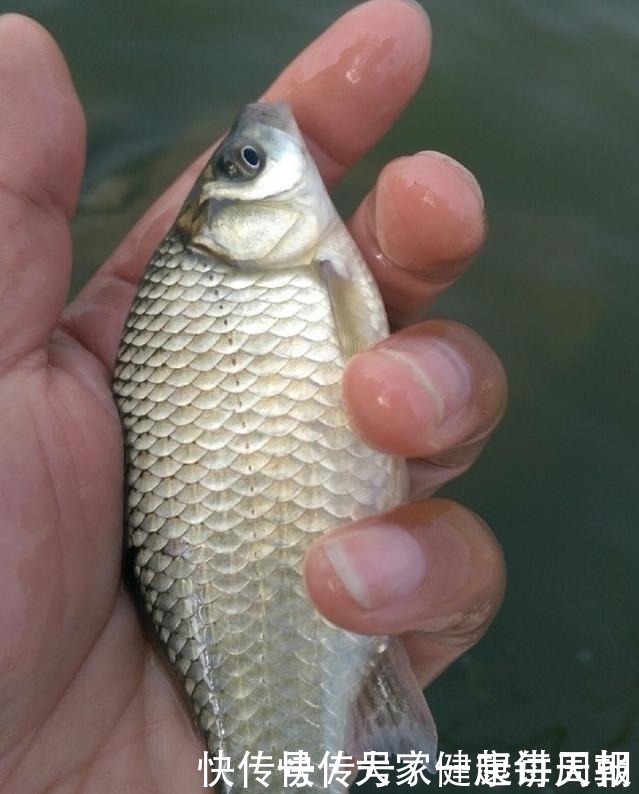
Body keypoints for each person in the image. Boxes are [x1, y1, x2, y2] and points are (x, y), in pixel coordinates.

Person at [0, 1, 507, 789]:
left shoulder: (285, 265)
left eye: (239, 163)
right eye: (246, 164)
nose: (260, 148)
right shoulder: (300, 269)